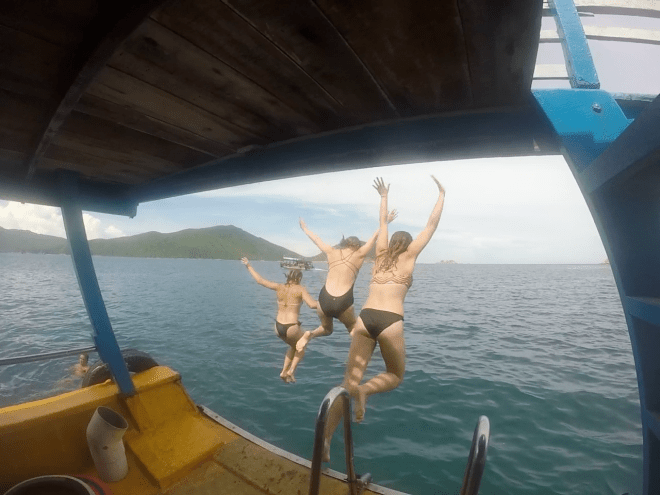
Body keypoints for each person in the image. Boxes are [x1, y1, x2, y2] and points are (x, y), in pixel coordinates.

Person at [322, 176, 445, 462]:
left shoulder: (379, 254)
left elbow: (382, 225)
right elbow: (431, 225)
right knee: (395, 375)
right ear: (409, 245)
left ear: (392, 243)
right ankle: (365, 391)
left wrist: (384, 197)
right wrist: (441, 195)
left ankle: (326, 440)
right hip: (390, 320)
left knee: (346, 383)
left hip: (365, 319)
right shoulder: (411, 255)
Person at [296, 212, 396, 353]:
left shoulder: (331, 252)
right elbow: (374, 238)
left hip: (324, 299)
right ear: (357, 245)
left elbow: (316, 239)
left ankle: (309, 335)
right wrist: (386, 222)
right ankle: (361, 355)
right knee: (353, 329)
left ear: (345, 244)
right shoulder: (360, 254)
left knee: (326, 329)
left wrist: (304, 228)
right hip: (344, 301)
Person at [241, 257, 317, 383]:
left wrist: (248, 265)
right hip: (291, 327)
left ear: (288, 277)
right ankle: (291, 371)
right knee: (302, 344)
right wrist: (325, 305)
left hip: (277, 327)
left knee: (293, 346)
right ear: (299, 279)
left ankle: (283, 372)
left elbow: (259, 280)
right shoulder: (300, 289)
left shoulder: (279, 287)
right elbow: (312, 305)